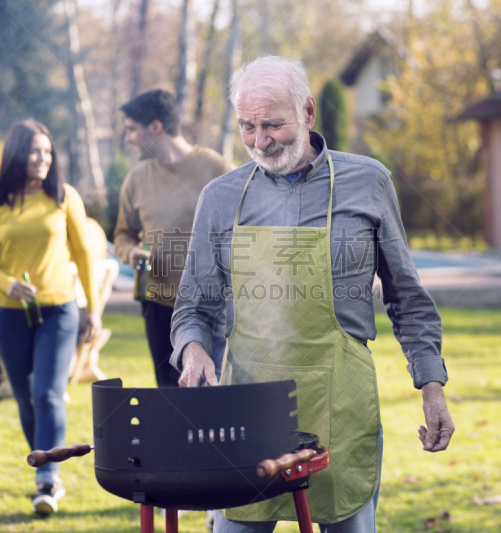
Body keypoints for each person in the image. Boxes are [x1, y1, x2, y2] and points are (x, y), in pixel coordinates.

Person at [171, 56, 454, 532]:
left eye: (274, 125)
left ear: (307, 113)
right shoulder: (220, 198)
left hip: (340, 411)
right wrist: (194, 350)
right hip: (245, 414)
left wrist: (432, 386)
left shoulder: (368, 182)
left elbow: (407, 298)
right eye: (248, 126)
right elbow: (193, 305)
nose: (260, 141)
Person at [0, 119, 101, 516]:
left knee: (47, 393)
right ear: (16, 155)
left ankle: (46, 481)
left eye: (48, 152)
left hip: (59, 310)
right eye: (35, 152)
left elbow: (83, 255)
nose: (43, 159)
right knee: (26, 398)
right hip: (7, 314)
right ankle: (46, 467)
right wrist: (6, 282)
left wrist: (92, 307)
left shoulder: (64, 197)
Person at [114, 89, 234, 388]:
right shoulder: (137, 178)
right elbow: (122, 233)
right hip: (158, 306)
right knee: (169, 396)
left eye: (131, 130)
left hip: (210, 308)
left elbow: (243, 228)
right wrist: (130, 252)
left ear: (155, 128)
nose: (128, 138)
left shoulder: (216, 168)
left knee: (208, 394)